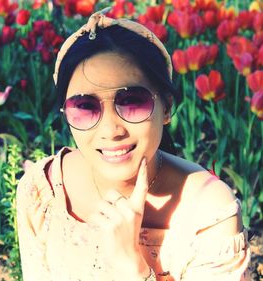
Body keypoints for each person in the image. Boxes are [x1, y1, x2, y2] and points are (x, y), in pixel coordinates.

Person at [15, 11, 251, 281]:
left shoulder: (208, 212)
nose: (111, 130)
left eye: (132, 102)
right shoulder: (43, 192)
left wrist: (132, 268)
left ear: (167, 108)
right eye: (85, 107)